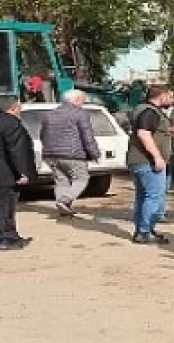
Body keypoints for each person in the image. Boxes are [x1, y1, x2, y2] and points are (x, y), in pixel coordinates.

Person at [127, 85, 174, 245]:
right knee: (155, 196)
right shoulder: (150, 111)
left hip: (139, 161)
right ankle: (144, 232)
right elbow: (143, 134)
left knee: (143, 197)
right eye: (169, 96)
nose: (171, 99)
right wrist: (157, 157)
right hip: (146, 162)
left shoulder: (144, 110)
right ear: (161, 96)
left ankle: (144, 230)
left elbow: (150, 131)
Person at [40, 89, 100, 217]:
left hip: (50, 155)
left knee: (61, 181)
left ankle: (63, 208)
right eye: (82, 100)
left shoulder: (49, 114)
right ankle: (65, 200)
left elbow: (42, 135)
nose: (83, 103)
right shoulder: (79, 113)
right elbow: (87, 136)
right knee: (82, 178)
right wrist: (94, 153)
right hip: (73, 154)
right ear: (76, 100)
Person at [0, 95, 36, 251]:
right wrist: (23, 172)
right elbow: (16, 150)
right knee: (6, 206)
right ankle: (8, 239)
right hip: (6, 174)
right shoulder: (11, 124)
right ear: (13, 108)